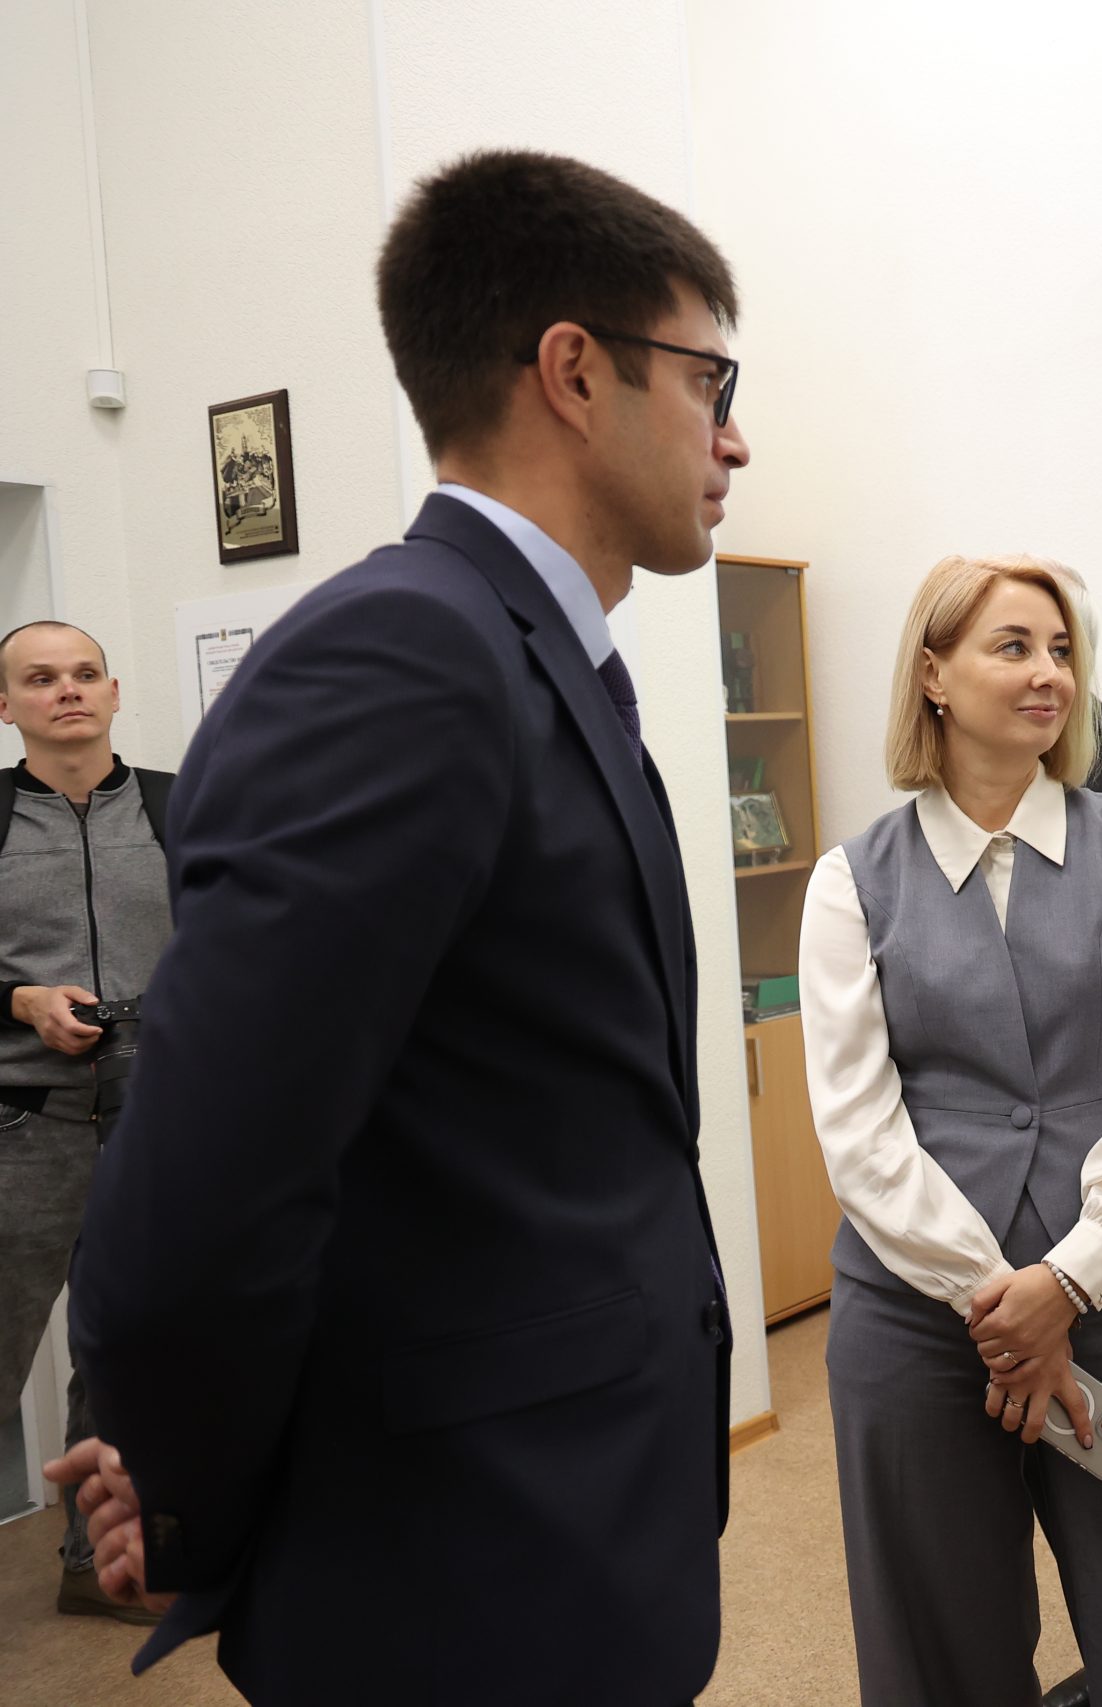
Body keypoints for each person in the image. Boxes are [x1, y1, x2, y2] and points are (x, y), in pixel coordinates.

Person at [50, 149, 752, 1706]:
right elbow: (210, 1177)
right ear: (575, 370)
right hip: (458, 1564)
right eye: (710, 378)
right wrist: (177, 1488)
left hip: (564, 1507)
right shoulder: (407, 652)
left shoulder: (533, 655)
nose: (734, 435)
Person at [801, 553, 1102, 1706]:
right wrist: (1003, 1308)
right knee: (940, 1649)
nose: (1050, 676)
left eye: (1062, 651)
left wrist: (1066, 1285)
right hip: (919, 1317)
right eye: (1013, 647)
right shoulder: (849, 880)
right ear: (932, 675)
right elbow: (860, 1132)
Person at [0, 620, 172, 1625]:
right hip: (22, 1130)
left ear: (112, 692)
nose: (66, 690)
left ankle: (95, 1567)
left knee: (130, 1358)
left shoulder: (178, 805)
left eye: (83, 674)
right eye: (39, 678)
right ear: (6, 706)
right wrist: (19, 1002)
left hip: (155, 1129)